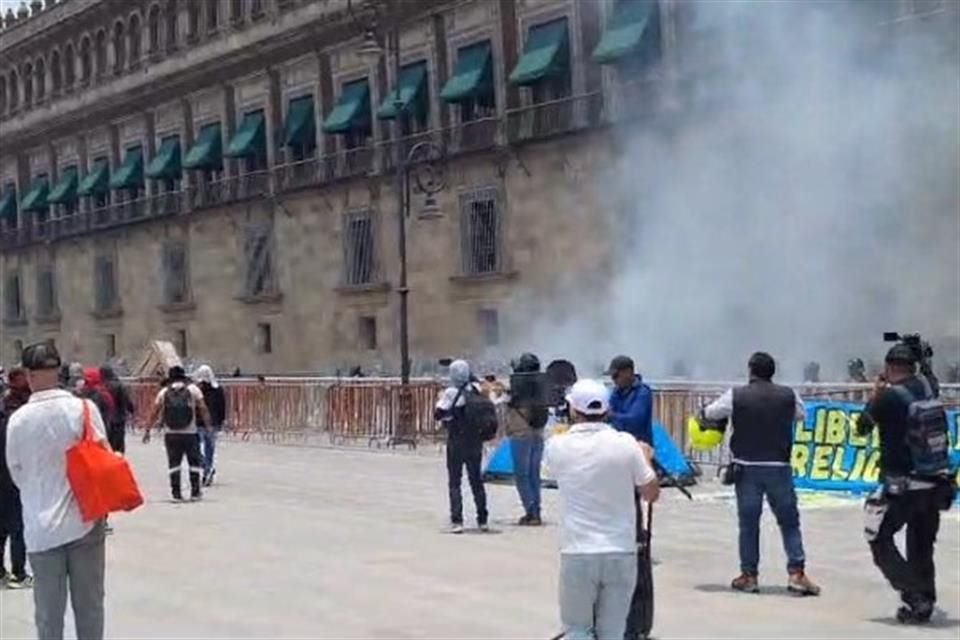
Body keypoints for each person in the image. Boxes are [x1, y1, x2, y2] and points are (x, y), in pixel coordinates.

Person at [5, 342, 107, 640]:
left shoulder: (18, 420)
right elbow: (104, 454)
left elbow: (16, 472)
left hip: (41, 527)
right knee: (90, 607)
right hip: (86, 520)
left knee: (48, 615)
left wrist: (41, 493)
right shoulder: (84, 408)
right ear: (58, 371)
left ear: (29, 375)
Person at [544, 379, 660, 640]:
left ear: (573, 410)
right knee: (613, 632)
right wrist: (645, 459)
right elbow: (651, 493)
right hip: (620, 550)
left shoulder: (557, 445)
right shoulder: (626, 443)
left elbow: (550, 471)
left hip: (578, 550)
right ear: (607, 410)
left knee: (577, 630)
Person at [703, 351, 820, 596]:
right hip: (779, 467)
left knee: (749, 524)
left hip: (747, 467)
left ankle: (749, 575)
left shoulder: (736, 395)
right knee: (789, 523)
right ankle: (797, 573)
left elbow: (711, 413)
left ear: (751, 371)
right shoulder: (788, 395)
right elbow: (801, 415)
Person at [857, 344, 956, 624]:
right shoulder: (928, 388)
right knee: (921, 543)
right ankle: (926, 597)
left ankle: (915, 596)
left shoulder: (888, 398)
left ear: (889, 367)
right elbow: (931, 376)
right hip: (935, 479)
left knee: (879, 537)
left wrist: (875, 394)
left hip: (903, 484)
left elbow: (863, 426)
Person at [434, 359, 488, 534]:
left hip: (457, 441)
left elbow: (438, 414)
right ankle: (483, 519)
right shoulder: (476, 390)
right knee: (476, 481)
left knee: (455, 482)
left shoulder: (451, 392)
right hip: (475, 442)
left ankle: (457, 520)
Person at [143, 366, 210, 502]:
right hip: (190, 433)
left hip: (171, 433)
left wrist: (147, 430)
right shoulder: (193, 390)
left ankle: (176, 493)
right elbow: (203, 408)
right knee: (194, 462)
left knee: (174, 463)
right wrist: (208, 426)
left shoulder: (164, 392)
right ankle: (195, 493)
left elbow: (154, 411)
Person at [505, 353, 549, 525]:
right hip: (538, 433)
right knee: (534, 474)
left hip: (520, 435)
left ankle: (531, 511)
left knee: (522, 475)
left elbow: (509, 403)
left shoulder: (519, 390)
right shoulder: (540, 388)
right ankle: (536, 509)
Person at [0, 367, 33, 589]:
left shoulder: (10, 411)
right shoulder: (14, 417)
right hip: (11, 478)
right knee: (17, 526)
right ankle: (19, 573)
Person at [607, 356, 654, 445]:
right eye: (612, 377)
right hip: (619, 446)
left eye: (616, 376)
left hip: (640, 447)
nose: (613, 380)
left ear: (628, 372)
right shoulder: (616, 392)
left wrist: (611, 415)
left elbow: (635, 420)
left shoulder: (643, 392)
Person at [194, 365, 226, 487]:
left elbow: (221, 406)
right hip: (209, 423)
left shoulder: (206, 389)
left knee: (202, 448)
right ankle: (207, 468)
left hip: (205, 422)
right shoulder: (216, 389)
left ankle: (207, 470)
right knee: (205, 448)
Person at [100, 365, 134, 456]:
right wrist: (131, 410)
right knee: (118, 448)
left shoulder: (101, 386)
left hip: (105, 420)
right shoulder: (119, 385)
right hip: (119, 419)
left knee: (107, 447)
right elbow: (126, 400)